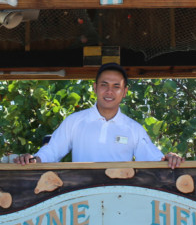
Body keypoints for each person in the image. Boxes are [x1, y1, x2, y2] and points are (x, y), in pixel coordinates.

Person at [14, 63, 183, 168]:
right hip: (81, 203)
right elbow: (51, 152)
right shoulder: (75, 121)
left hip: (121, 202)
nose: (109, 91)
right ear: (95, 88)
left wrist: (170, 158)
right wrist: (33, 160)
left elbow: (153, 159)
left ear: (124, 92)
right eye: (104, 85)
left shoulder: (134, 129)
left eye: (116, 86)